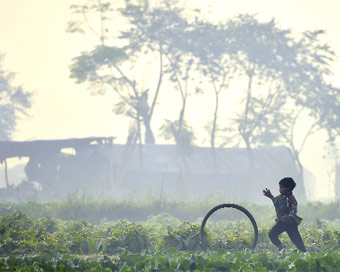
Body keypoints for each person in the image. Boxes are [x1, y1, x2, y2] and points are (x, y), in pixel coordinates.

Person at [263, 177, 306, 252]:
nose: (280, 189)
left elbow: (294, 209)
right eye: (280, 187)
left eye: (282, 187)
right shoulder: (280, 197)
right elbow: (275, 202)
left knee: (297, 241)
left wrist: (289, 216)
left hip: (290, 223)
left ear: (288, 188)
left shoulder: (291, 198)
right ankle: (280, 246)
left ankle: (305, 253)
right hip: (282, 222)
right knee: (271, 234)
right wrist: (270, 196)